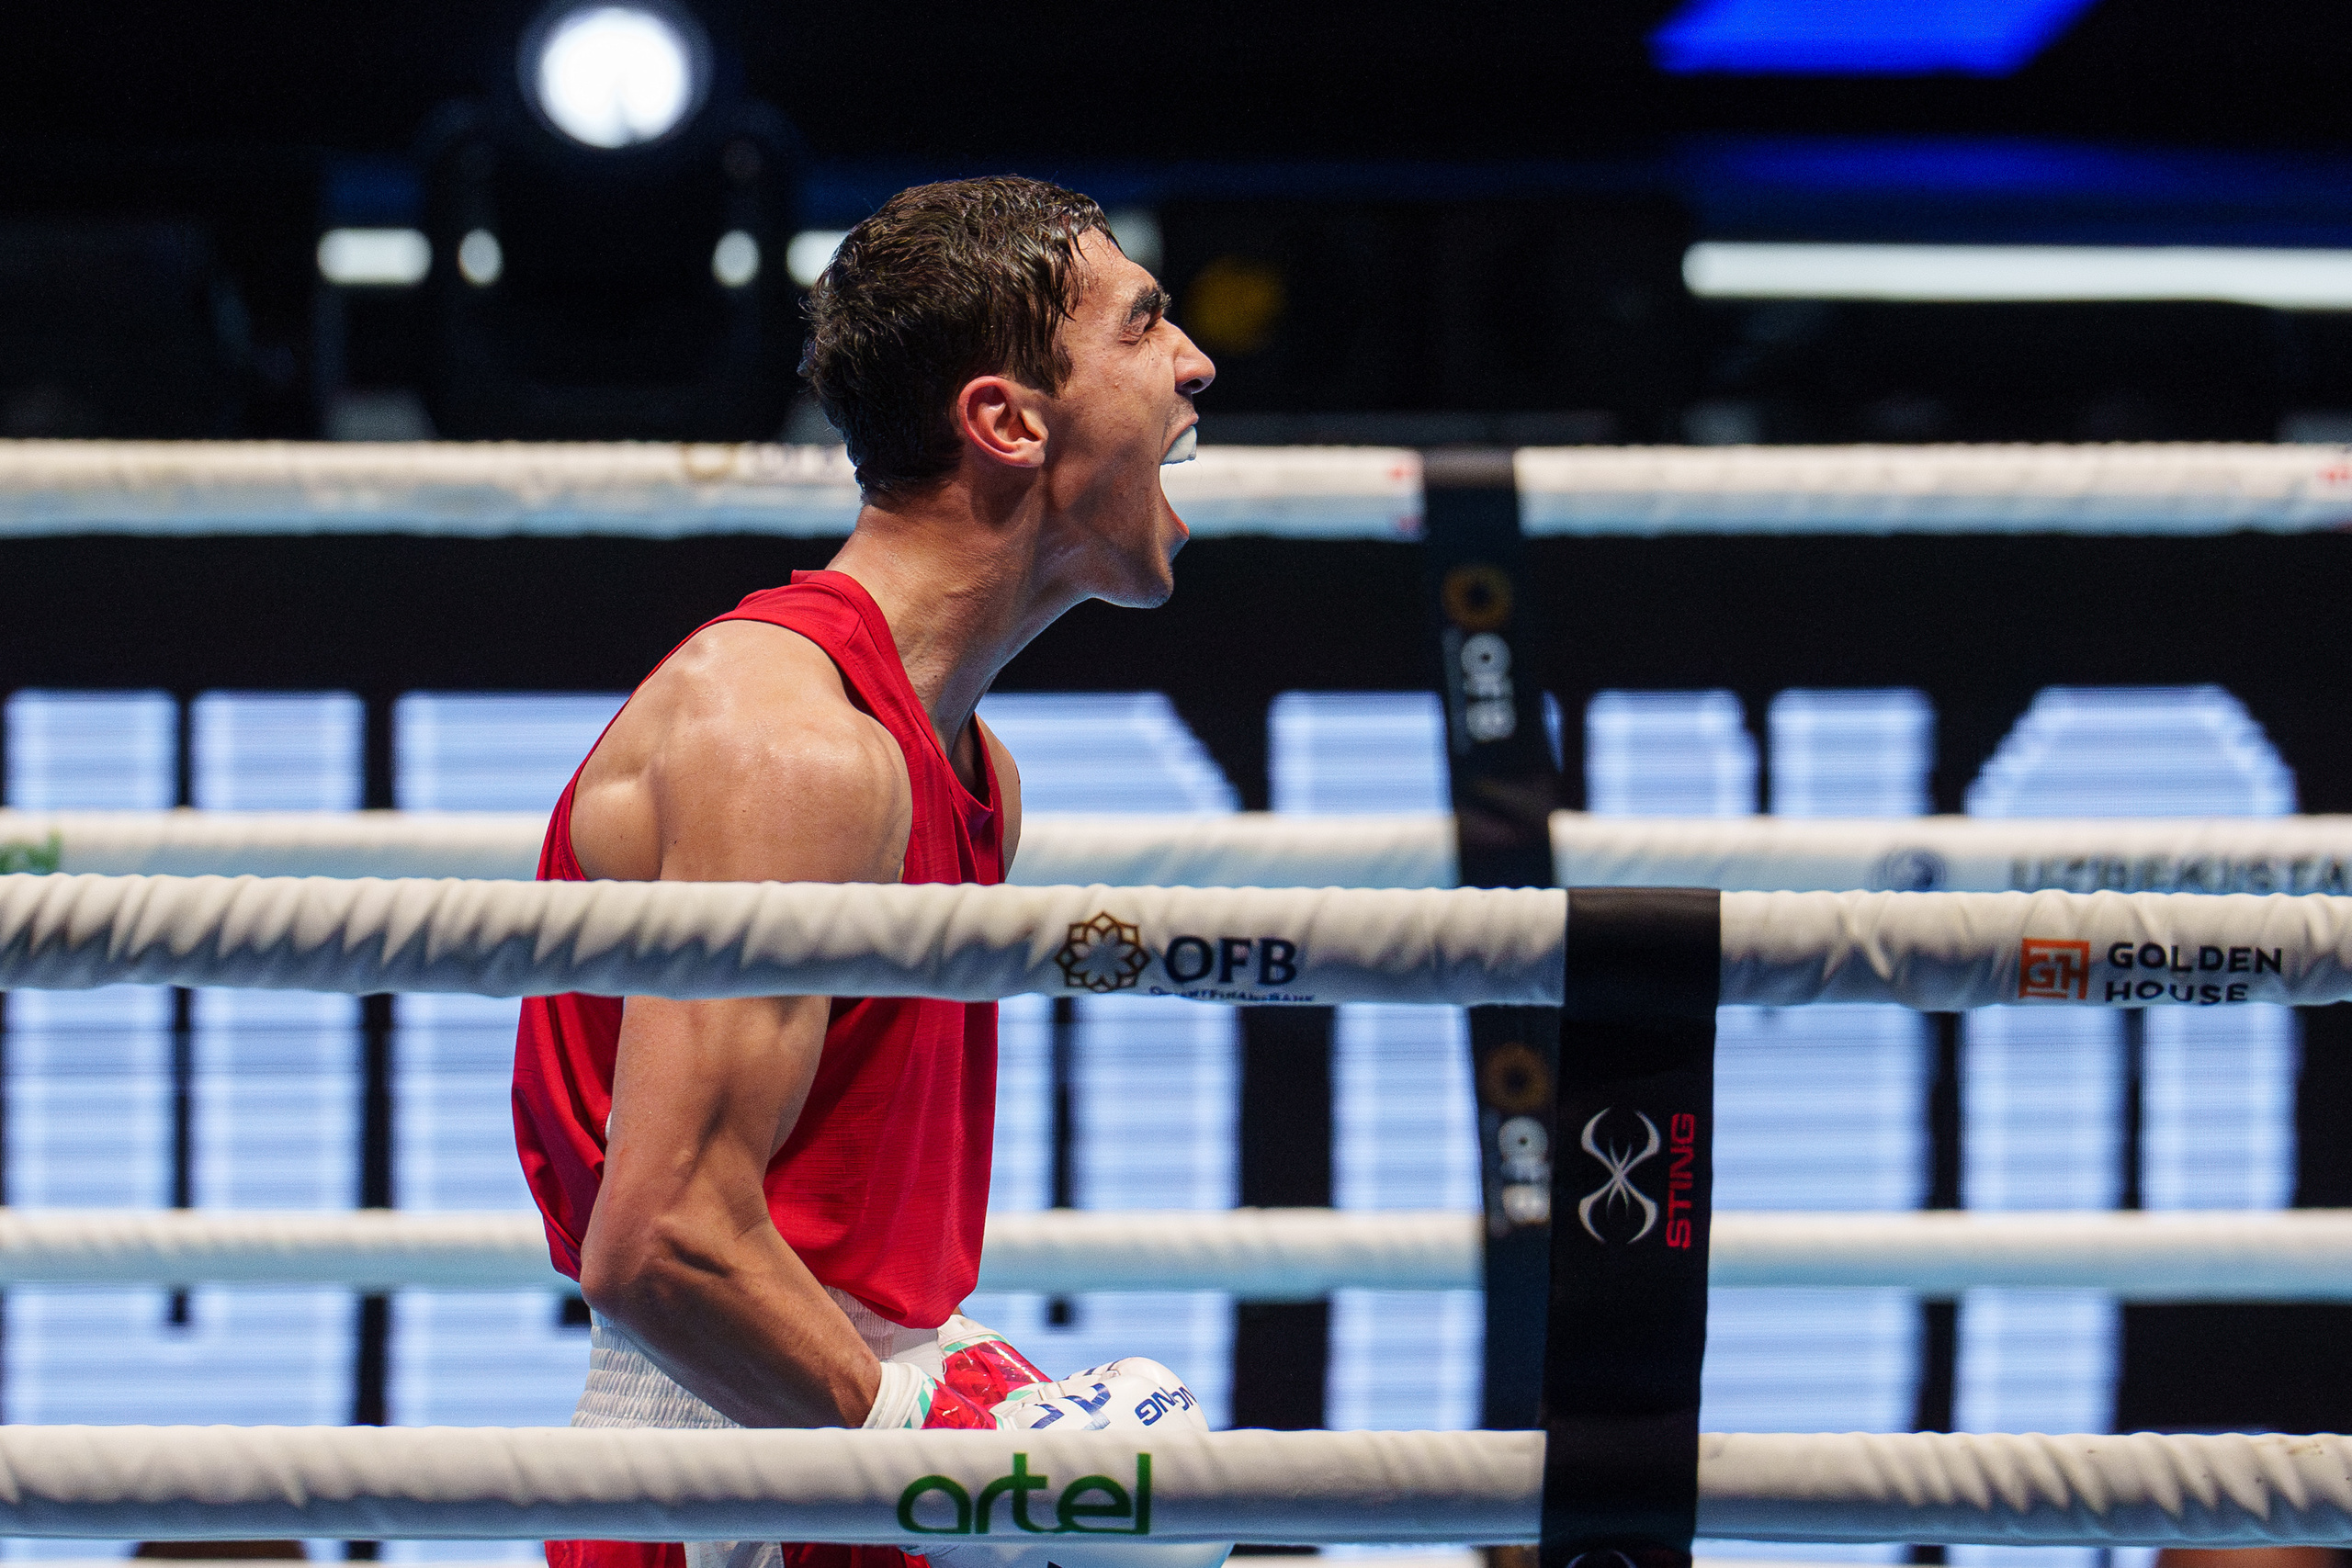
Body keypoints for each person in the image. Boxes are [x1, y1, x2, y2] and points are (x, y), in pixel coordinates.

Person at [510, 175, 1216, 1568]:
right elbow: (660, 1246)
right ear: (1009, 420)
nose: (1195, 362)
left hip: (826, 1433)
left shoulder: (967, 767)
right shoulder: (789, 745)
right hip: (739, 1477)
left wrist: (967, 1394)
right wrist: (934, 1448)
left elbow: (831, 1238)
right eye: (1143, 327)